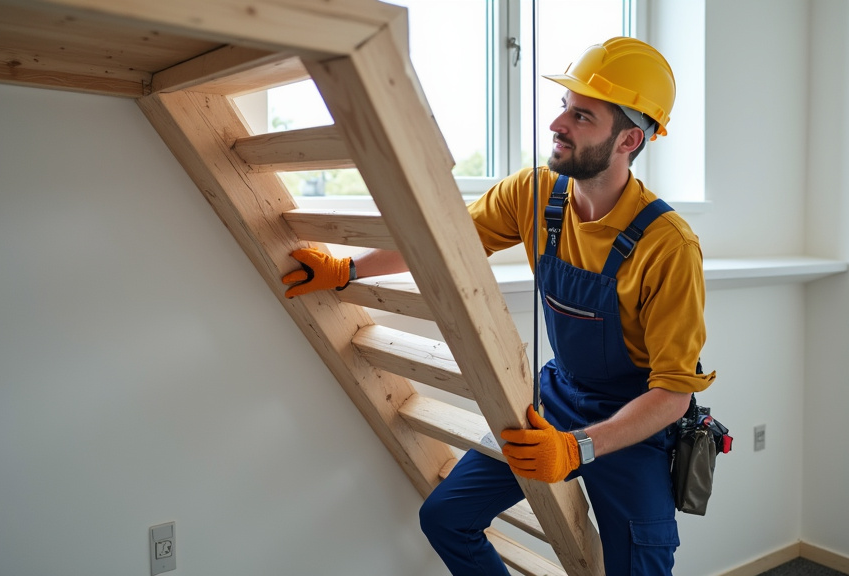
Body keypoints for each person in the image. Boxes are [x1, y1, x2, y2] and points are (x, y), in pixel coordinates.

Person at [281, 37, 715, 576]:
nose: (558, 125)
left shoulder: (668, 244)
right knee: (446, 518)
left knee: (642, 567)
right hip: (558, 396)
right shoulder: (533, 195)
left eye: (582, 115)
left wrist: (577, 448)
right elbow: (442, 240)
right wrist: (347, 270)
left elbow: (672, 395)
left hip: (634, 421)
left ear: (629, 138)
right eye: (564, 108)